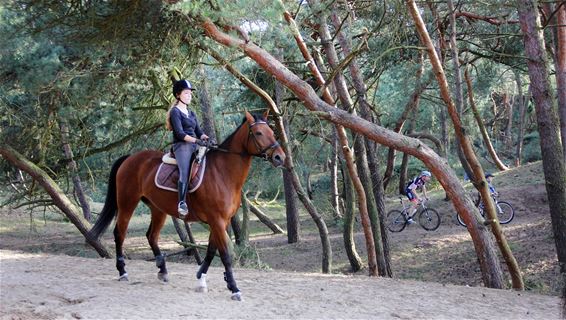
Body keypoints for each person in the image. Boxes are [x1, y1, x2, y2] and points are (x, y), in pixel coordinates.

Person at [166, 79, 209, 217]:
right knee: (185, 170)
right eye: (186, 93)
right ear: (178, 95)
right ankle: (182, 203)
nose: (189, 95)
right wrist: (196, 140)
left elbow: (199, 131)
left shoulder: (191, 113)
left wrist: (204, 138)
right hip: (182, 146)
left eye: (190, 93)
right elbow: (179, 133)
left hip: (194, 144)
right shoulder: (175, 112)